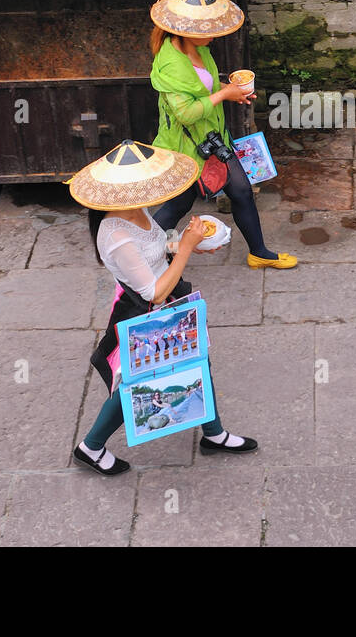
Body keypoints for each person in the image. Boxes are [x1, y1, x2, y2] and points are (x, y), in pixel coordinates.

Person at [67, 138, 258, 477]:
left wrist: (188, 244)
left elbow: (157, 250)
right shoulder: (115, 235)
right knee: (138, 381)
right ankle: (91, 446)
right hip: (146, 312)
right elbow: (153, 292)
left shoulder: (136, 210)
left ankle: (214, 434)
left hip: (170, 301)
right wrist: (185, 248)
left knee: (198, 360)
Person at [147, 0, 297, 270]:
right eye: (206, 28)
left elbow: (206, 89)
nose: (213, 33)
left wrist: (233, 90)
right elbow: (186, 113)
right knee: (178, 206)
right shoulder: (170, 65)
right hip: (185, 149)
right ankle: (147, 254)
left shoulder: (198, 49)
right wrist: (224, 95)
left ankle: (259, 253)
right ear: (185, 29)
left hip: (214, 141)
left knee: (241, 191)